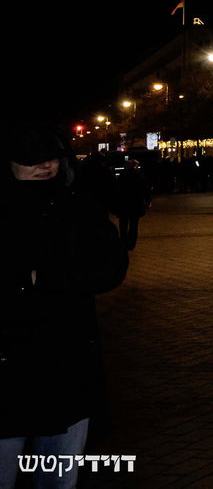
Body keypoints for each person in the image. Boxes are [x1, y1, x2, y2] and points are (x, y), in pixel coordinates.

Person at [1, 126, 128, 489]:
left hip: (67, 367)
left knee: (57, 478)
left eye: (52, 157)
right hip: (8, 371)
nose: (44, 165)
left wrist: (52, 278)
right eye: (31, 159)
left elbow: (110, 266)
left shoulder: (79, 206)